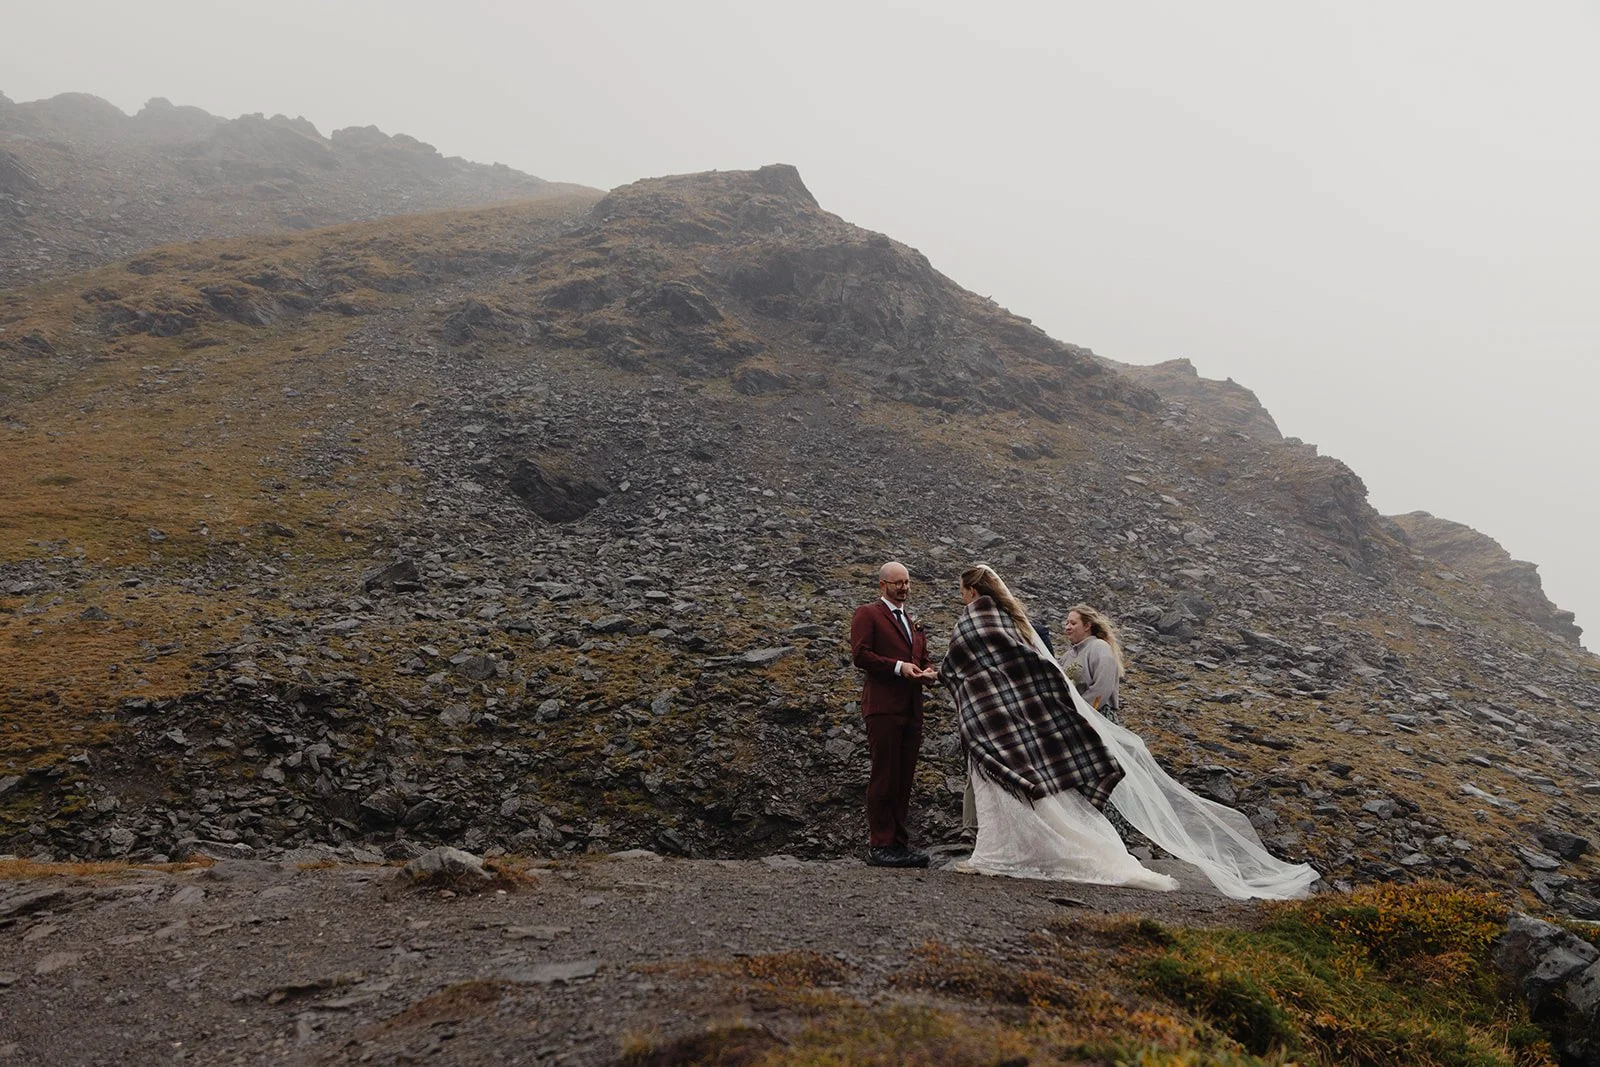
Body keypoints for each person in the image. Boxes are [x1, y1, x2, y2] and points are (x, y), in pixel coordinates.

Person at [940, 563, 1319, 900]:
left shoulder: (977, 621)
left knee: (1015, 790)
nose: (1067, 626)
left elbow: (966, 667)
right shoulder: (1012, 624)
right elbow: (1037, 671)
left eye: (961, 592)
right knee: (1037, 792)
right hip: (1025, 719)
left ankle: (1009, 852)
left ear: (971, 592)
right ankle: (1008, 849)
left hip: (1019, 721)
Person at [850, 561, 937, 868]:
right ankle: (880, 844)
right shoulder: (868, 613)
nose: (904, 587)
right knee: (885, 775)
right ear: (882, 585)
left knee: (903, 777)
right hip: (883, 708)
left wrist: (928, 672)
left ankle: (899, 844)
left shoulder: (912, 623)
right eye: (897, 582)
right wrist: (900, 669)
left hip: (912, 709)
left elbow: (921, 657)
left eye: (907, 582)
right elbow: (860, 655)